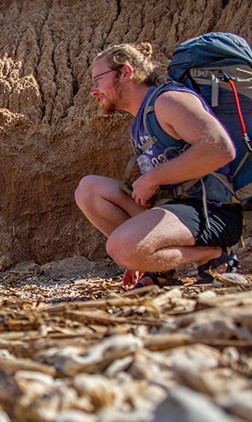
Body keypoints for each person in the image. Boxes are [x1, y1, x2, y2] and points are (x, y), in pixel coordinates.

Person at [75, 42, 242, 288]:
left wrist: (152, 179)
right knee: (88, 190)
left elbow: (220, 148)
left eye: (97, 80)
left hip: (212, 212)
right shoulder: (142, 118)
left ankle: (214, 255)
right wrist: (146, 258)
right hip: (176, 210)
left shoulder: (168, 101)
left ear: (126, 73)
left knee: (122, 248)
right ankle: (160, 271)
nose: (93, 90)